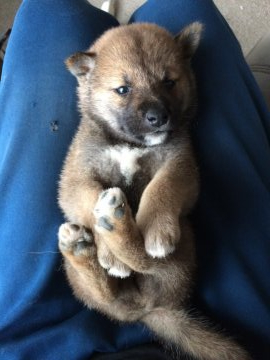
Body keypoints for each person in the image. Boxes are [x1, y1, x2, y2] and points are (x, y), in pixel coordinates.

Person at [0, 0, 269, 359]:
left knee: (44, 10)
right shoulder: (92, 136)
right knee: (185, 5)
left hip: (37, 336)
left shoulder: (175, 137)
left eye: (168, 82)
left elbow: (181, 176)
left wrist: (159, 205)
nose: (155, 107)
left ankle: (109, 245)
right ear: (86, 76)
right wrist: (100, 220)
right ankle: (109, 247)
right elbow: (73, 192)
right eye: (124, 91)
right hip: (237, 312)